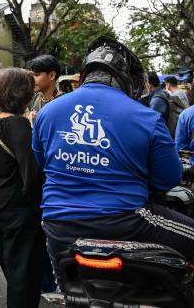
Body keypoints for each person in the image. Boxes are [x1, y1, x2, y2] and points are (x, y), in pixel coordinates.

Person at [32, 36, 194, 286]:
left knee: (70, 290)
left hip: (58, 224)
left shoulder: (46, 112)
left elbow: (43, 163)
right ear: (125, 78)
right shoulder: (146, 117)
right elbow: (167, 180)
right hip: (127, 220)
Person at [0, 68, 45, 308]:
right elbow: (32, 174)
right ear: (22, 94)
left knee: (11, 269)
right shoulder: (18, 124)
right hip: (17, 211)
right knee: (23, 277)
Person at [26, 55, 62, 121]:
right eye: (31, 75)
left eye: (36, 75)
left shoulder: (64, 100)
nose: (31, 79)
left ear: (51, 75)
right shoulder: (34, 98)